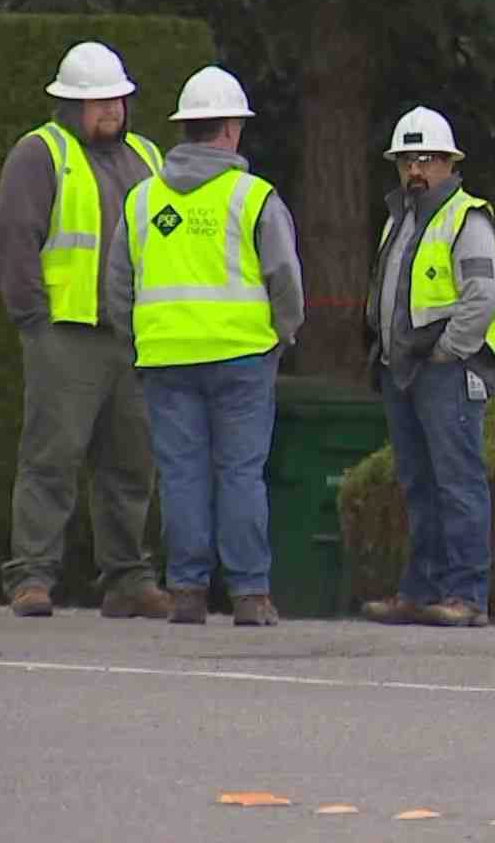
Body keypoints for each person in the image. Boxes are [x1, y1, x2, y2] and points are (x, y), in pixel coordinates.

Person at [105, 66, 305, 627]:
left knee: (181, 474)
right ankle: (249, 595)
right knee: (241, 472)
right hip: (242, 356)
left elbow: (118, 286)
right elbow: (284, 277)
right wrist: (282, 333)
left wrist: (142, 340)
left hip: (166, 359)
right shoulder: (253, 196)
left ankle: (188, 593)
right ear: (231, 130)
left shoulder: (143, 200)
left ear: (184, 129)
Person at [0, 40, 170, 619]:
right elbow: (16, 239)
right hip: (65, 333)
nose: (111, 110)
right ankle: (31, 576)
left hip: (130, 336)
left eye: (117, 99)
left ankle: (127, 578)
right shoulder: (40, 153)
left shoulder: (147, 155)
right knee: (51, 457)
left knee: (131, 461)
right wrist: (34, 322)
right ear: (69, 106)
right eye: (97, 102)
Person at [359, 106, 495, 629]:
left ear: (449, 161)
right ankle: (421, 591)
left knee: (457, 482)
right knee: (418, 484)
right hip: (404, 368)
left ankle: (466, 595)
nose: (415, 169)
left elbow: (482, 297)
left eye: (426, 158)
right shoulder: (400, 217)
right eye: (406, 159)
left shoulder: (467, 217)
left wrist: (448, 351)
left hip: (447, 367)